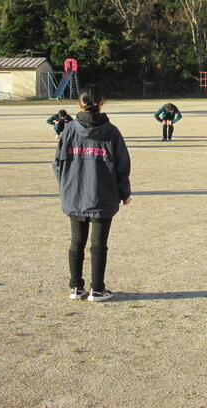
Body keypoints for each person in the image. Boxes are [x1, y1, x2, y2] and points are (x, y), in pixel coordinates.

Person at [53, 85, 131, 302]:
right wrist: (124, 193)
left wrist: (67, 185)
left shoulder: (69, 130)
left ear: (79, 104)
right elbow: (122, 166)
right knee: (98, 244)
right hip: (102, 195)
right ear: (102, 102)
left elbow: (57, 163)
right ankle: (96, 289)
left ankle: (76, 288)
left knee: (76, 242)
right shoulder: (111, 131)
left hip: (75, 195)